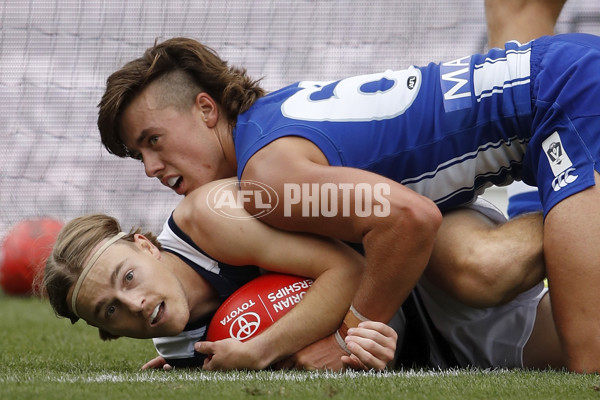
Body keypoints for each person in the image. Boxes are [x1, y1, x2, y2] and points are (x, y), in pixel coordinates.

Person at [101, 1, 600, 372]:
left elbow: (409, 220)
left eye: (154, 140)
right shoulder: (267, 125)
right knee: (483, 270)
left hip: (565, 95)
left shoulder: (265, 181)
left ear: (207, 109)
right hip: (550, 95)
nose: (149, 167)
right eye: (138, 154)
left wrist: (348, 336)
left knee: (590, 357)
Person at [43, 177, 364, 371]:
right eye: (110, 310)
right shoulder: (181, 351)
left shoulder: (210, 221)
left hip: (392, 258)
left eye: (128, 277)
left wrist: (261, 349)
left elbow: (350, 269)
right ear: (109, 332)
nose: (136, 304)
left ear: (145, 246)